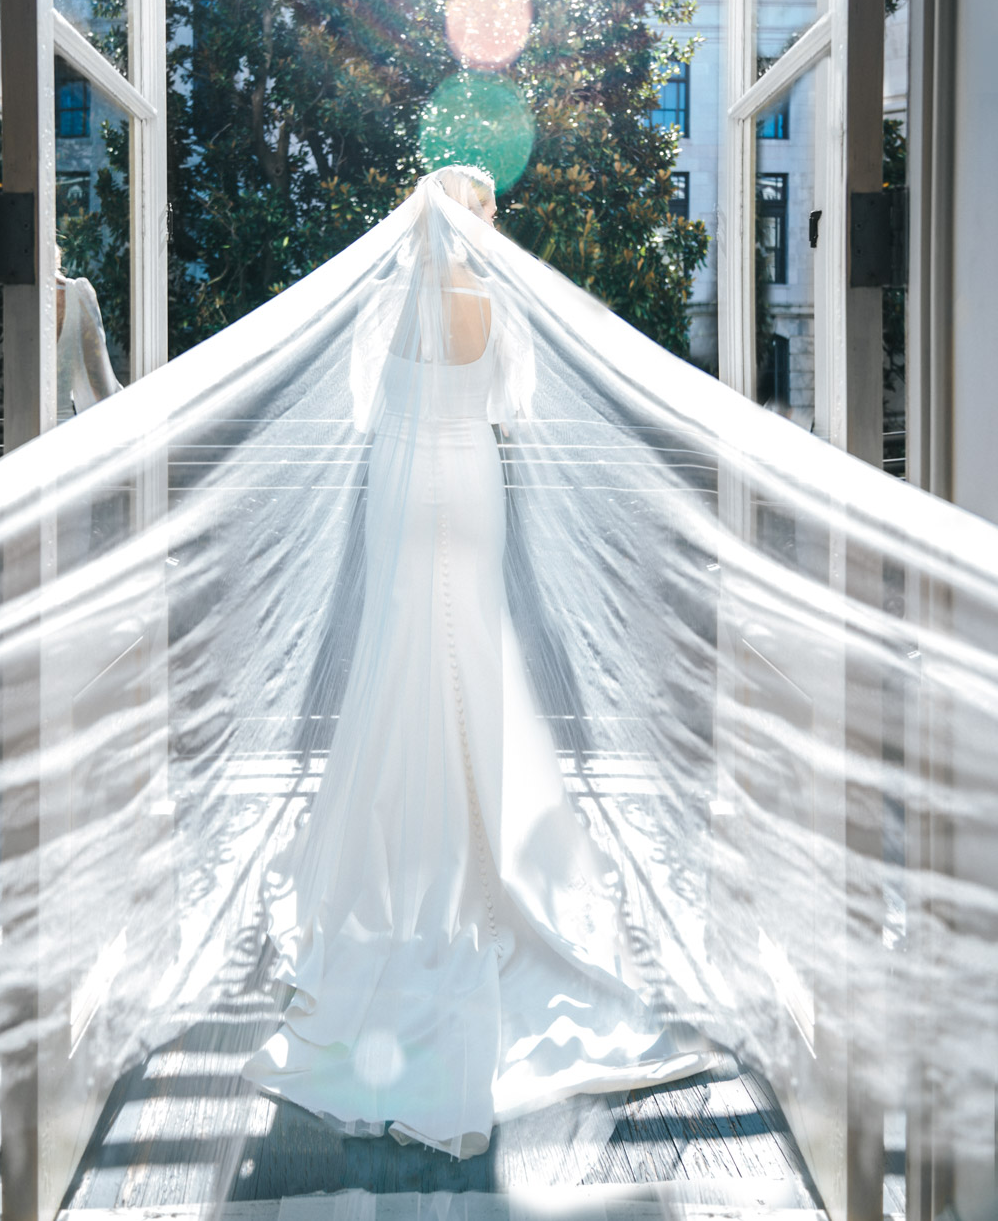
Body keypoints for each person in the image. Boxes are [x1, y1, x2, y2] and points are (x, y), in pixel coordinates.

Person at [242, 165, 710, 1157]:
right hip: (468, 483)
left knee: (399, 658)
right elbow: (513, 406)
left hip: (405, 485)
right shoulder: (493, 302)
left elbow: (368, 406)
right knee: (475, 655)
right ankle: (482, 860)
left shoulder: (385, 305)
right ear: (481, 223)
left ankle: (406, 868)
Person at [56, 248, 122, 421]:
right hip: (60, 434)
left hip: (16, 433)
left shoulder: (12, 296)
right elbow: (99, 382)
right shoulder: (74, 294)